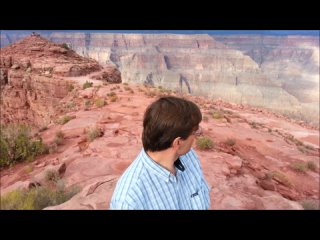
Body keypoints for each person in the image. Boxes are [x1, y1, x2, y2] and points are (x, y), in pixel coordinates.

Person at [110, 96, 211, 210]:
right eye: (195, 132)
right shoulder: (129, 200)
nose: (197, 136)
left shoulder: (190, 157)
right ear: (177, 142)